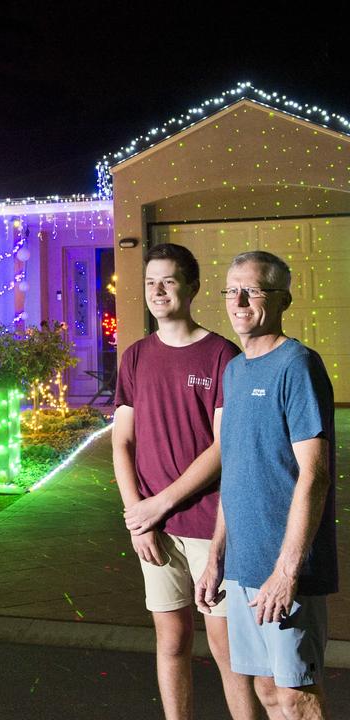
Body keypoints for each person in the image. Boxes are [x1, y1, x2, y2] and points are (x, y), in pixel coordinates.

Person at [113, 243, 260, 719]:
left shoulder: (221, 355)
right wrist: (140, 517)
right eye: (151, 281)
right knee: (171, 640)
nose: (158, 291)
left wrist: (161, 503)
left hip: (210, 526)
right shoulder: (135, 357)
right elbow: (122, 444)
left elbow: (225, 446)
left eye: (169, 281)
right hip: (153, 528)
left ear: (192, 288)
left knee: (224, 644)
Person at [195, 250, 337, 719]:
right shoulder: (235, 371)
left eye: (252, 290)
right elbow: (234, 472)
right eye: (231, 290)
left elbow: (314, 475)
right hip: (243, 566)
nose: (237, 301)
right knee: (267, 691)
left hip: (284, 570)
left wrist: (287, 571)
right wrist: (217, 557)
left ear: (282, 300)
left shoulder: (298, 365)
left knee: (297, 695)